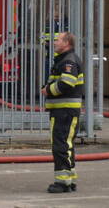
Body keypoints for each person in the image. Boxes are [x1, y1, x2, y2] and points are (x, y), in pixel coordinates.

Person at [40, 31, 84, 193]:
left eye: (57, 40)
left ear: (67, 43)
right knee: (66, 145)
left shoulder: (68, 61)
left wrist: (48, 90)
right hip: (64, 111)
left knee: (60, 146)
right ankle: (69, 179)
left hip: (64, 111)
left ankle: (62, 183)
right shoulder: (66, 59)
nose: (54, 42)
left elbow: (67, 83)